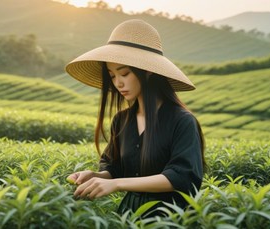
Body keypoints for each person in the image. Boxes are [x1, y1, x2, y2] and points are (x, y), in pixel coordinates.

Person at [65, 19, 206, 216]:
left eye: (124, 73)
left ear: (148, 71)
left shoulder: (181, 121)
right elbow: (116, 168)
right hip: (127, 216)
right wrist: (96, 176)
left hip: (170, 218)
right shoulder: (122, 120)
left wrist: (117, 184)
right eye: (112, 76)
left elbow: (182, 177)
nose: (118, 83)